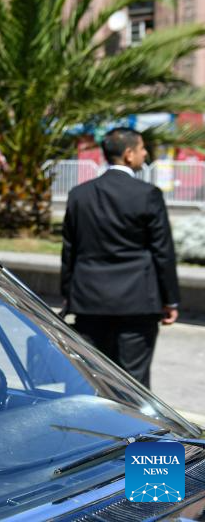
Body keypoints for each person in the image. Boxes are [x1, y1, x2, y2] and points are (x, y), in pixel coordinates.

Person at [61, 127, 179, 387]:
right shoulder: (148, 194)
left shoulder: (79, 194)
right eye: (142, 148)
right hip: (138, 303)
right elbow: (162, 251)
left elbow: (70, 249)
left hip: (89, 302)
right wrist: (170, 299)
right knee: (133, 384)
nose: (145, 153)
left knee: (89, 379)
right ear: (128, 154)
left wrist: (68, 293)